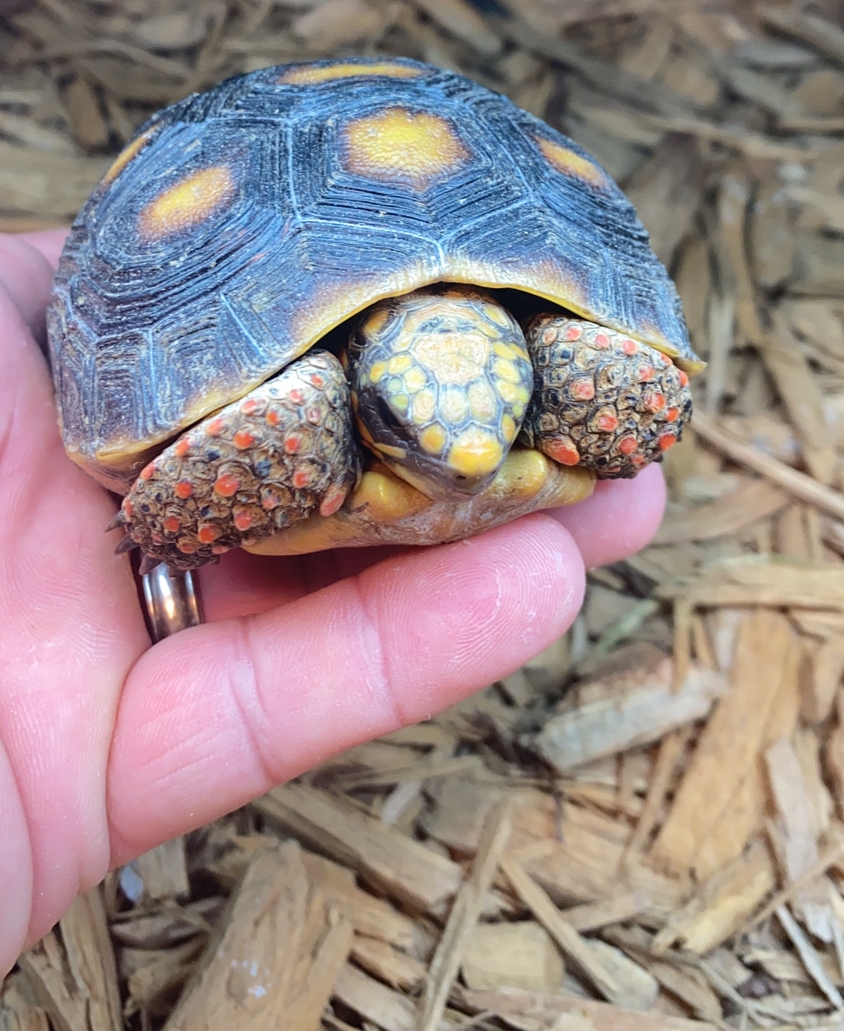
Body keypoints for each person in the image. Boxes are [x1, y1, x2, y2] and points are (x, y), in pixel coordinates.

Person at [0, 231, 666, 976]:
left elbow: (641, 390)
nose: (470, 467)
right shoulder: (309, 405)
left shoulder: (547, 368)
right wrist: (172, 515)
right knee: (294, 423)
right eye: (411, 436)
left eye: (505, 423)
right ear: (362, 387)